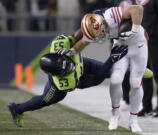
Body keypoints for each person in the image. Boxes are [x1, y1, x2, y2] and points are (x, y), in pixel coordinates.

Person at [57, 2, 149, 132]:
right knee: (116, 79)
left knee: (135, 83)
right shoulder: (93, 26)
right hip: (121, 45)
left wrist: (134, 30)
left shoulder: (112, 15)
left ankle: (133, 120)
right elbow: (83, 42)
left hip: (138, 44)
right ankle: (115, 115)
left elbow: (137, 8)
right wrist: (71, 52)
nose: (100, 36)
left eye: (100, 32)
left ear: (103, 23)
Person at [8, 34, 128, 127]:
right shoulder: (65, 83)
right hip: (78, 79)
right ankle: (17, 108)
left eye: (67, 63)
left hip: (82, 64)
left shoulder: (61, 44)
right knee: (46, 99)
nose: (70, 67)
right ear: (60, 75)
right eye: (66, 69)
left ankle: (132, 71)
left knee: (110, 70)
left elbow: (77, 35)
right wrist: (111, 59)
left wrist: (87, 30)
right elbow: (97, 78)